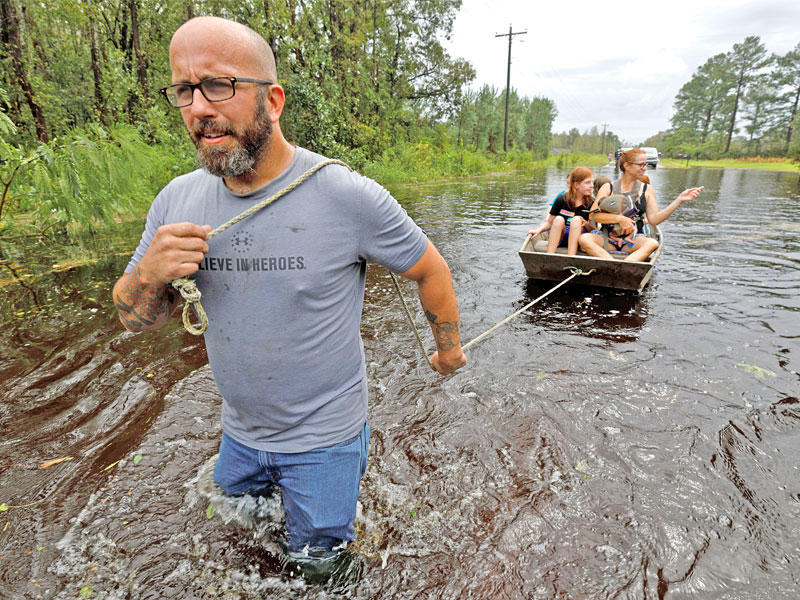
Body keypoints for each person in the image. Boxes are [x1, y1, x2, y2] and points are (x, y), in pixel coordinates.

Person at [112, 16, 466, 566]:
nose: (199, 108)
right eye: (184, 90)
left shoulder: (346, 195)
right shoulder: (175, 201)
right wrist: (149, 274)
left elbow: (431, 269)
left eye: (218, 85)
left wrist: (448, 349)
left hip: (326, 440)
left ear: (272, 101)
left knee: (319, 567)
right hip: (239, 434)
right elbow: (137, 319)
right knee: (231, 533)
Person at [579, 148, 703, 262]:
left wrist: (679, 200)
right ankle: (612, 264)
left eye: (645, 164)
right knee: (584, 239)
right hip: (607, 239)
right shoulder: (608, 187)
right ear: (627, 165)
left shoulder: (647, 189)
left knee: (652, 243)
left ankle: (624, 265)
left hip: (632, 242)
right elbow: (593, 216)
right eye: (641, 165)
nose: (645, 168)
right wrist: (620, 219)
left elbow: (654, 220)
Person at [527, 167, 595, 255]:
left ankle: (571, 256)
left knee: (576, 220)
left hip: (579, 239)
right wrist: (538, 230)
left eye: (592, 182)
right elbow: (549, 223)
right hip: (561, 236)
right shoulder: (562, 199)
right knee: (558, 219)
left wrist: (585, 223)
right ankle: (550, 255)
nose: (592, 186)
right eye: (588, 182)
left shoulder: (592, 203)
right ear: (576, 185)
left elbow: (593, 229)